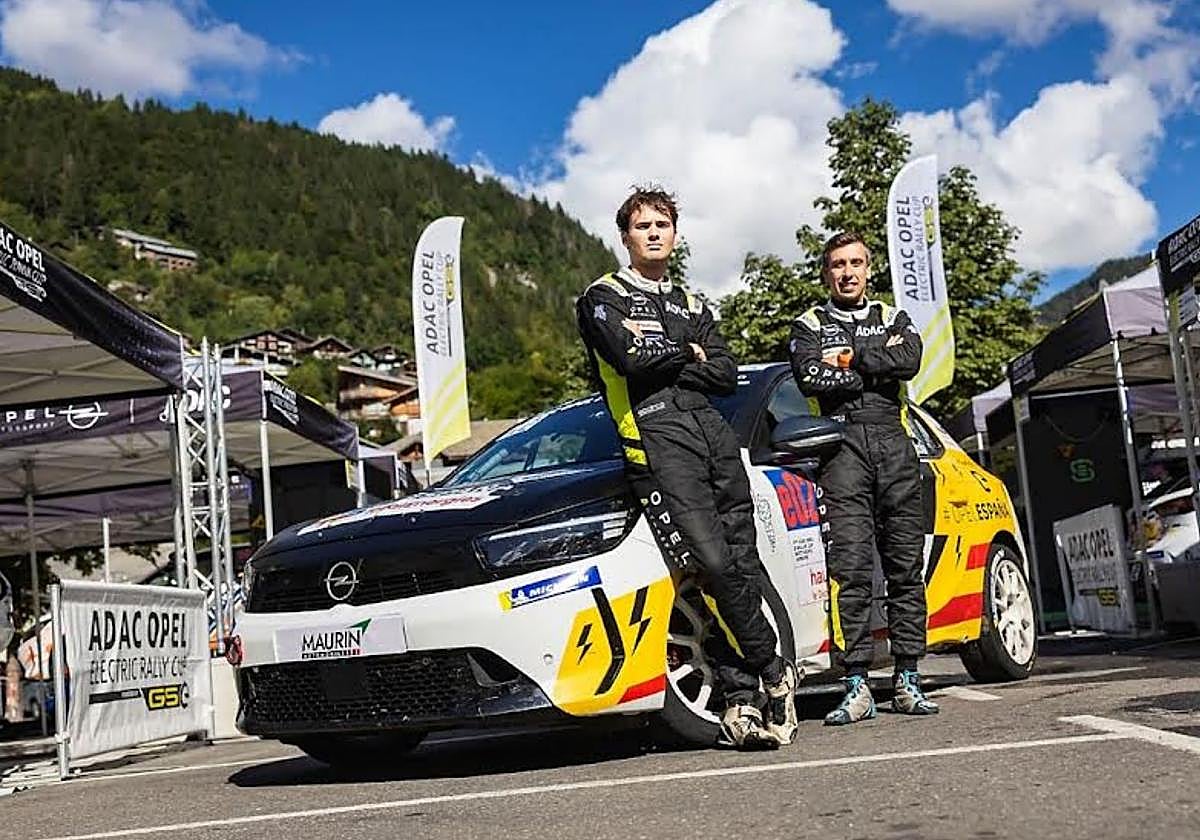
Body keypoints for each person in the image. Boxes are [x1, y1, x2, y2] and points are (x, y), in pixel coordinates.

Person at [575, 186, 797, 748]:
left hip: (714, 436)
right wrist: (687, 352)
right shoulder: (603, 297)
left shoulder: (694, 303)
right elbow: (629, 360)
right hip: (654, 441)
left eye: (663, 224)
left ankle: (744, 699)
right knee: (710, 566)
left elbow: (726, 374)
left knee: (742, 565)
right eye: (642, 225)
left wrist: (674, 351)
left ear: (676, 233)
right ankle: (773, 670)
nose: (654, 233)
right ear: (624, 236)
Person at [789, 231, 939, 725]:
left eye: (855, 263)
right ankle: (856, 683)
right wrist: (873, 367)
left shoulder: (892, 315)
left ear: (868, 268)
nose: (847, 272)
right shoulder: (810, 322)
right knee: (850, 570)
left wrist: (850, 360)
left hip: (893, 444)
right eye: (837, 264)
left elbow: (909, 360)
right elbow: (811, 377)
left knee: (903, 567)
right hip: (840, 448)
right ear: (825, 272)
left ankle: (908, 677)